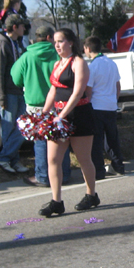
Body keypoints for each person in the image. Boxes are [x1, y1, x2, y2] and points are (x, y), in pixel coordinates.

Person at [39, 28, 99, 216]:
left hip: (79, 115)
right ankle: (56, 201)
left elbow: (77, 92)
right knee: (53, 160)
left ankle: (91, 195)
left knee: (83, 159)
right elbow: (53, 91)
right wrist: (44, 113)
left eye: (61, 41)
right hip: (59, 117)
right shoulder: (58, 64)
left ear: (71, 42)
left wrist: (61, 115)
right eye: (55, 42)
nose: (57, 45)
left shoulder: (79, 63)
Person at [11, 26, 73, 187]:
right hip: (58, 103)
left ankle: (43, 176)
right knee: (60, 137)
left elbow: (16, 79)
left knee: (40, 141)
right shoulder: (57, 55)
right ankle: (64, 174)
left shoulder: (26, 57)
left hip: (35, 105)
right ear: (49, 37)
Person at [0, 14, 29, 174]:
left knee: (21, 126)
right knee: (9, 128)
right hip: (8, 93)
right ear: (14, 27)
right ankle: (6, 158)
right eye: (22, 26)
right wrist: (0, 97)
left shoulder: (18, 43)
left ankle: (10, 159)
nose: (24, 29)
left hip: (19, 91)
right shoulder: (1, 44)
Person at [84, 35, 125, 179]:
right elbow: (117, 85)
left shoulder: (92, 66)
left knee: (97, 141)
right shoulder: (111, 63)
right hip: (111, 106)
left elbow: (88, 89)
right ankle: (118, 165)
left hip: (96, 106)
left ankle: (99, 170)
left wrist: (87, 103)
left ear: (88, 49)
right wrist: (114, 99)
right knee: (112, 138)